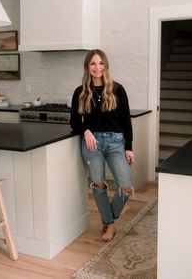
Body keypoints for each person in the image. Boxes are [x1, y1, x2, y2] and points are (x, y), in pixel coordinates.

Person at [70, 49, 135, 242]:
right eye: (93, 63)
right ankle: (111, 225)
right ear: (87, 67)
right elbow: (74, 120)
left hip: (116, 142)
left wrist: (129, 147)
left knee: (125, 186)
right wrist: (86, 131)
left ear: (105, 66)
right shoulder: (80, 92)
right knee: (98, 184)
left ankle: (108, 218)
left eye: (101, 63)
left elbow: (126, 121)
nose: (97, 67)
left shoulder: (117, 89)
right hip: (93, 144)